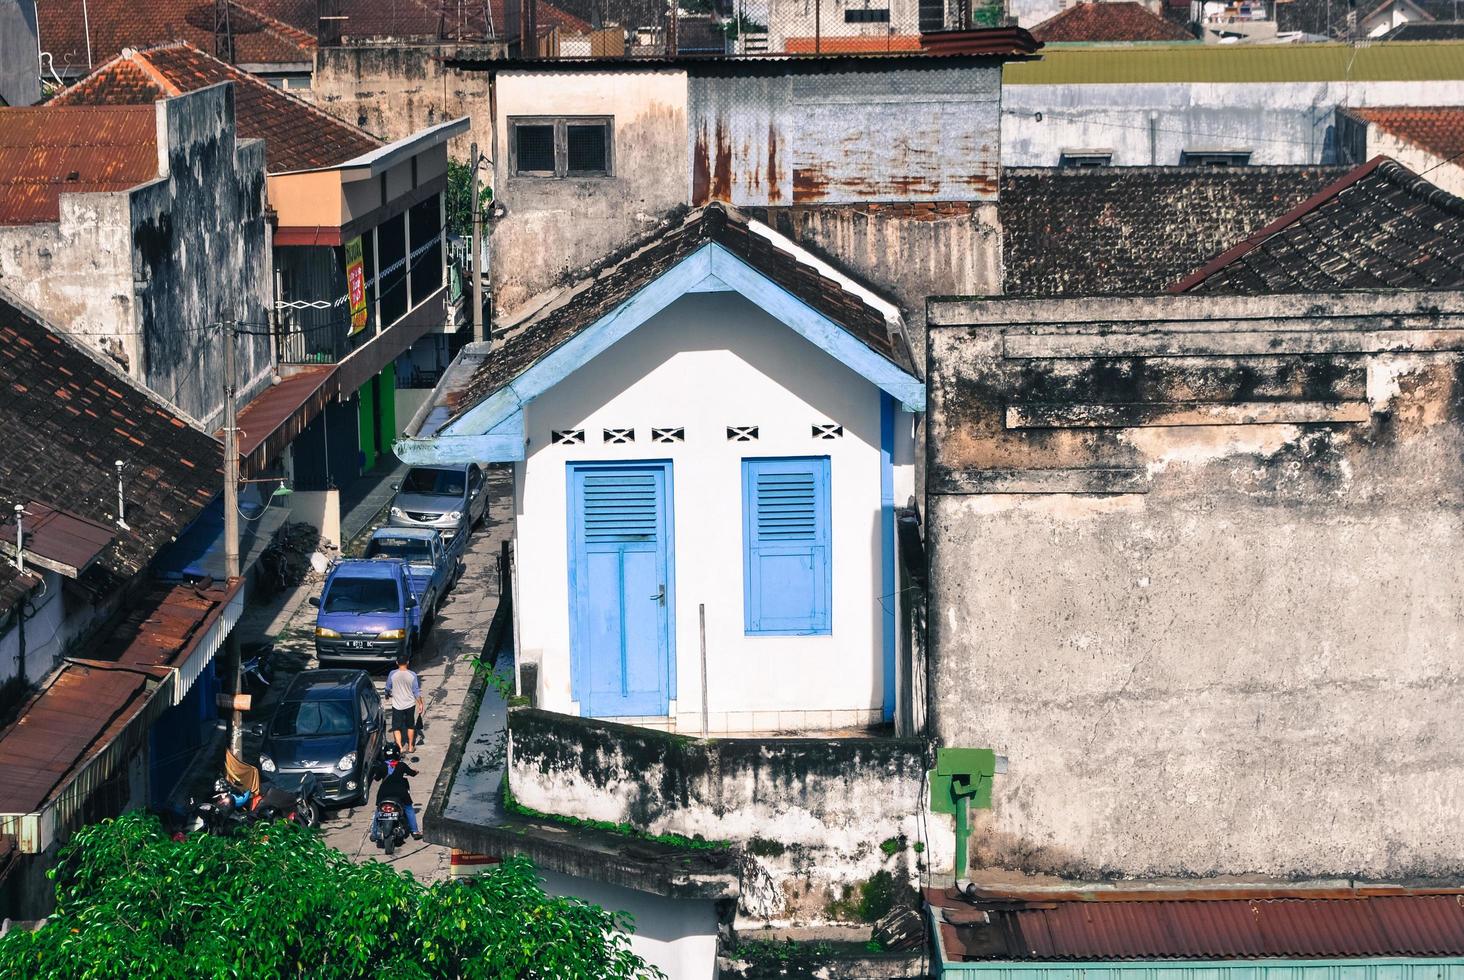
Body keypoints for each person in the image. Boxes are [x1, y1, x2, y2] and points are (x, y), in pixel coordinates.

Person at [370, 754, 422, 841]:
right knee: (409, 808)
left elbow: (377, 779)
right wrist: (416, 771)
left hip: (384, 793)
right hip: (400, 792)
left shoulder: (382, 766)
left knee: (378, 811)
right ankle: (415, 831)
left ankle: (374, 833)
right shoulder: (402, 765)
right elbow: (412, 773)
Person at [385, 653, 423, 756]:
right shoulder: (412, 675)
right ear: (407, 663)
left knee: (396, 727)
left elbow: (388, 688)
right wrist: (420, 704)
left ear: (397, 663)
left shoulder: (392, 674)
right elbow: (416, 691)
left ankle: (400, 748)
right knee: (410, 725)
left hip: (397, 705)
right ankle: (410, 746)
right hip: (410, 704)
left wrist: (387, 695)